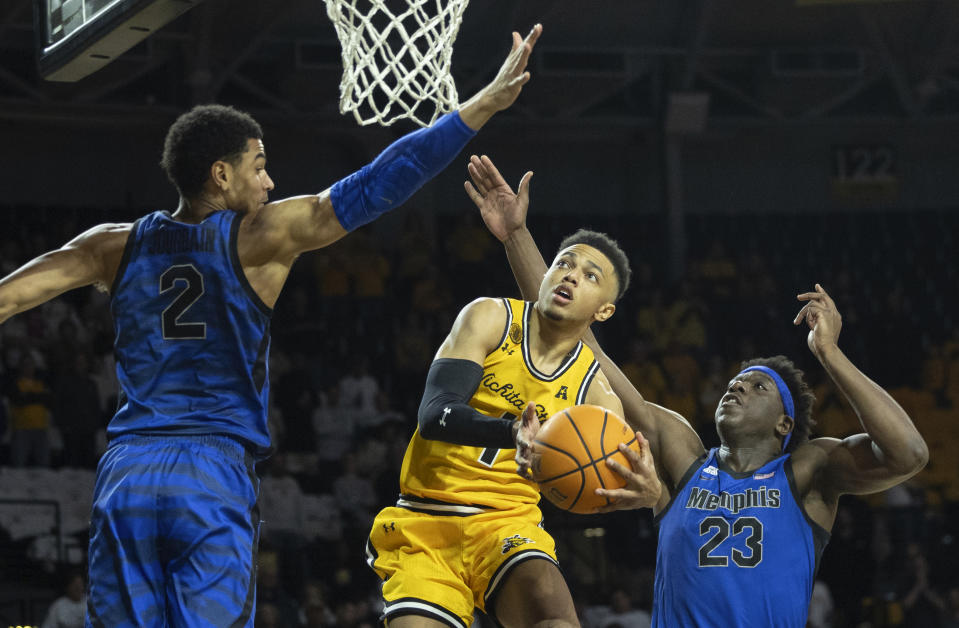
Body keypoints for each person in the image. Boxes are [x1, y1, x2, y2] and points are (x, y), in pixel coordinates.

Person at [0, 24, 542, 626]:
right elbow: (382, 181)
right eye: (259, 167)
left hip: (126, 471)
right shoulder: (259, 236)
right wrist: (480, 106)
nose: (270, 181)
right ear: (220, 176)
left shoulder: (110, 246)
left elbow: (8, 299)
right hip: (210, 470)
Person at [466, 153, 929, 628]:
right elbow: (582, 344)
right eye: (734, 382)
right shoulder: (683, 457)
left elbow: (907, 453)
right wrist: (516, 236)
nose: (737, 388)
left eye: (757, 386)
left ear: (784, 422)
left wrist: (830, 354)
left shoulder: (807, 471)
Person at [366, 224, 658, 625]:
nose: (571, 274)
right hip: (426, 520)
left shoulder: (598, 397)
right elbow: (434, 413)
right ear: (546, 275)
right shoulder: (491, 317)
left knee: (556, 621)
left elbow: (595, 486)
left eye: (590, 275)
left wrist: (641, 494)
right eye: (563, 264)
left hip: (508, 526)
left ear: (603, 310)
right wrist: (511, 433)